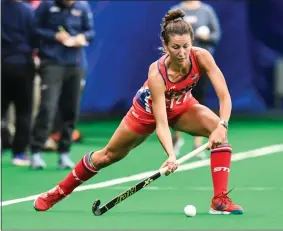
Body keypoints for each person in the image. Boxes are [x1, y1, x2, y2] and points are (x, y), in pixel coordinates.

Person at [33, 9, 243, 215]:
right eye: (176, 47)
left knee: (219, 132)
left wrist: (222, 125)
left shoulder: (202, 57)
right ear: (165, 46)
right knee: (107, 156)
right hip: (146, 112)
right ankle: (59, 192)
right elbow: (161, 123)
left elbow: (224, 96)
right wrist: (171, 155)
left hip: (182, 106)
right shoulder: (157, 73)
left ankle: (219, 200)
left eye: (186, 46)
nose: (182, 53)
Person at [29, 0, 94, 169]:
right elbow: (34, 29)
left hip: (76, 64)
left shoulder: (83, 6)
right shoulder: (47, 5)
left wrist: (83, 37)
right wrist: (54, 36)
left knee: (71, 109)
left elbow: (90, 32)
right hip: (52, 63)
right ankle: (36, 151)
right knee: (47, 107)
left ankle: (64, 152)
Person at [170, 0, 222, 158]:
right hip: (179, 64)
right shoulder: (175, 10)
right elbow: (167, 36)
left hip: (199, 66)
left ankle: (198, 144)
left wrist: (205, 37)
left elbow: (216, 35)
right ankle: (176, 140)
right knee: (174, 101)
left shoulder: (207, 11)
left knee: (199, 100)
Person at [1, 0, 37, 166]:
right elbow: (36, 37)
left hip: (4, 64)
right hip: (23, 65)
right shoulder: (28, 11)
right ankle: (19, 153)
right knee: (24, 110)